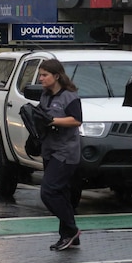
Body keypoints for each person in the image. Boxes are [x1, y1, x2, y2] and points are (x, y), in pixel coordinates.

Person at [37, 59, 83, 251]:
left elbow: (76, 120)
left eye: (44, 75)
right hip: (49, 149)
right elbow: (42, 117)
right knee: (62, 194)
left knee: (48, 191)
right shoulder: (45, 96)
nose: (41, 79)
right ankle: (67, 236)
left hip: (66, 151)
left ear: (56, 76)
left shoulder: (70, 97)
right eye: (40, 75)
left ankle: (71, 229)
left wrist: (53, 120)